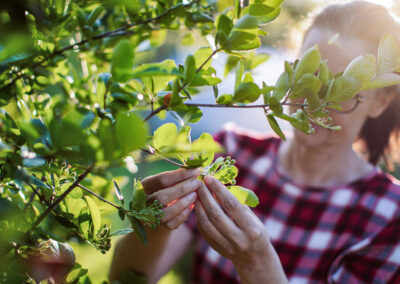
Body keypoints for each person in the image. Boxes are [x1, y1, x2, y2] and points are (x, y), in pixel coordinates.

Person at [109, 1, 400, 283]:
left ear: (379, 102)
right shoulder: (231, 154)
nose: (313, 101)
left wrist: (256, 263)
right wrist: (154, 223)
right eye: (307, 76)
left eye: (342, 89)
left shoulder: (389, 217)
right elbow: (128, 280)